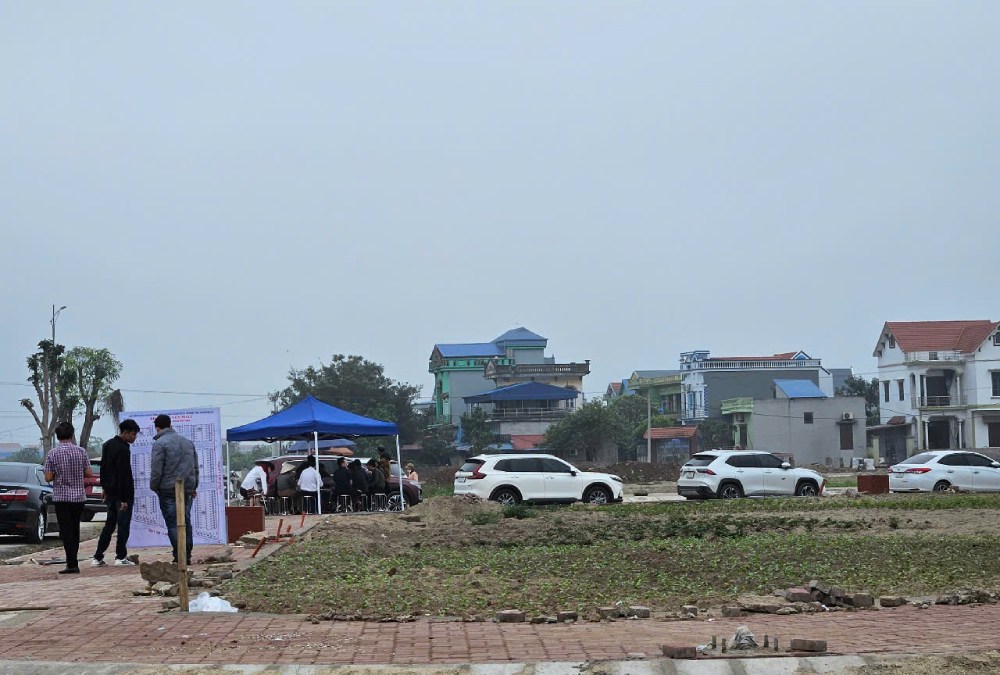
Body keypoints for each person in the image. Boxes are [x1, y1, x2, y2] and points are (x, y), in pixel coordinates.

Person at [44, 421, 93, 574]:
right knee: (75, 528)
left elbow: (48, 478)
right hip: (78, 497)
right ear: (72, 435)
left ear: (57, 436)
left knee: (66, 531)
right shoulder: (81, 452)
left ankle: (71, 563)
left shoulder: (52, 453)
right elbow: (89, 473)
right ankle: (74, 560)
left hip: (61, 497)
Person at [149, 414, 198, 566]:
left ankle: (179, 554)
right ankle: (187, 554)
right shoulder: (188, 442)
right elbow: (195, 467)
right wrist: (194, 486)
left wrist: (154, 486)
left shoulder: (160, 444)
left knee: (173, 522)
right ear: (170, 425)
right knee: (185, 520)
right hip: (187, 488)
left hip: (167, 489)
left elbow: (157, 469)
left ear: (157, 427)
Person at [92, 419, 140, 567]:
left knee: (109, 525)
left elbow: (104, 469)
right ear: (125, 433)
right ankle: (120, 557)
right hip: (122, 495)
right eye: (133, 434)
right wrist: (125, 499)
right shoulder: (123, 449)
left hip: (111, 493)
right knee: (123, 526)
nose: (134, 437)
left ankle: (98, 557)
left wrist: (105, 489)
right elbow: (124, 475)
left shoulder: (107, 445)